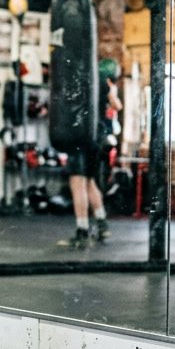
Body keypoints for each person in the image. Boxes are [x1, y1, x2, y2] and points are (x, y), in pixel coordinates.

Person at [61, 59, 121, 249]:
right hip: (98, 137)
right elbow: (117, 105)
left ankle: (82, 230)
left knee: (77, 183)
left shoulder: (81, 81)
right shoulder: (106, 85)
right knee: (89, 182)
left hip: (81, 136)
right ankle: (102, 224)